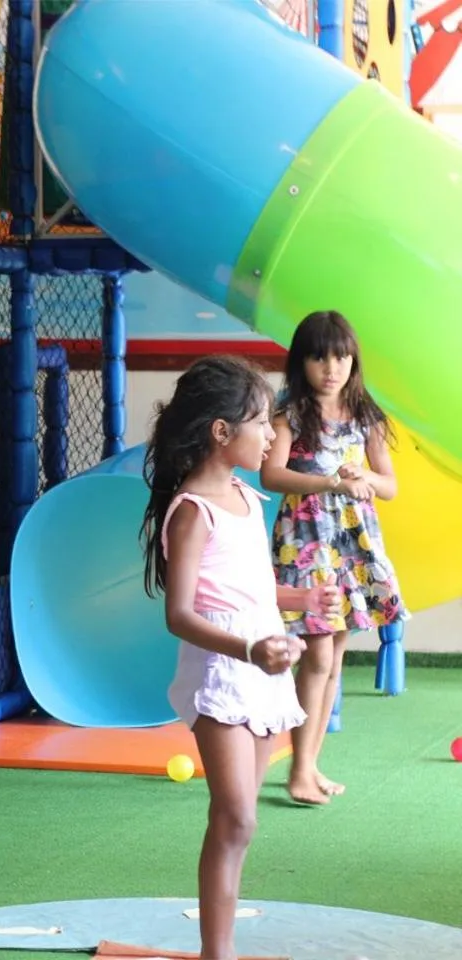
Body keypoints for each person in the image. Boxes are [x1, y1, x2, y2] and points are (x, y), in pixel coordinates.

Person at [139, 355, 343, 960]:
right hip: (223, 674)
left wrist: (299, 597)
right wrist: (252, 648)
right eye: (262, 423)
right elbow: (180, 614)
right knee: (236, 818)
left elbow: (248, 590)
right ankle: (217, 952)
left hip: (261, 671)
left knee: (240, 819)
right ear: (221, 432)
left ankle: (218, 945)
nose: (274, 436)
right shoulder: (192, 512)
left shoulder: (248, 499)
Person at [261, 310, 409, 806]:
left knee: (335, 657)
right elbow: (271, 475)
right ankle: (298, 770)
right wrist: (328, 482)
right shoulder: (291, 414)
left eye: (341, 356)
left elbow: (388, 485)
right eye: (319, 356)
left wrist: (363, 480)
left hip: (351, 541)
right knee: (318, 653)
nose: (331, 367)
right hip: (306, 537)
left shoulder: (366, 414)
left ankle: (310, 765)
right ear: (301, 361)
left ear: (353, 360)